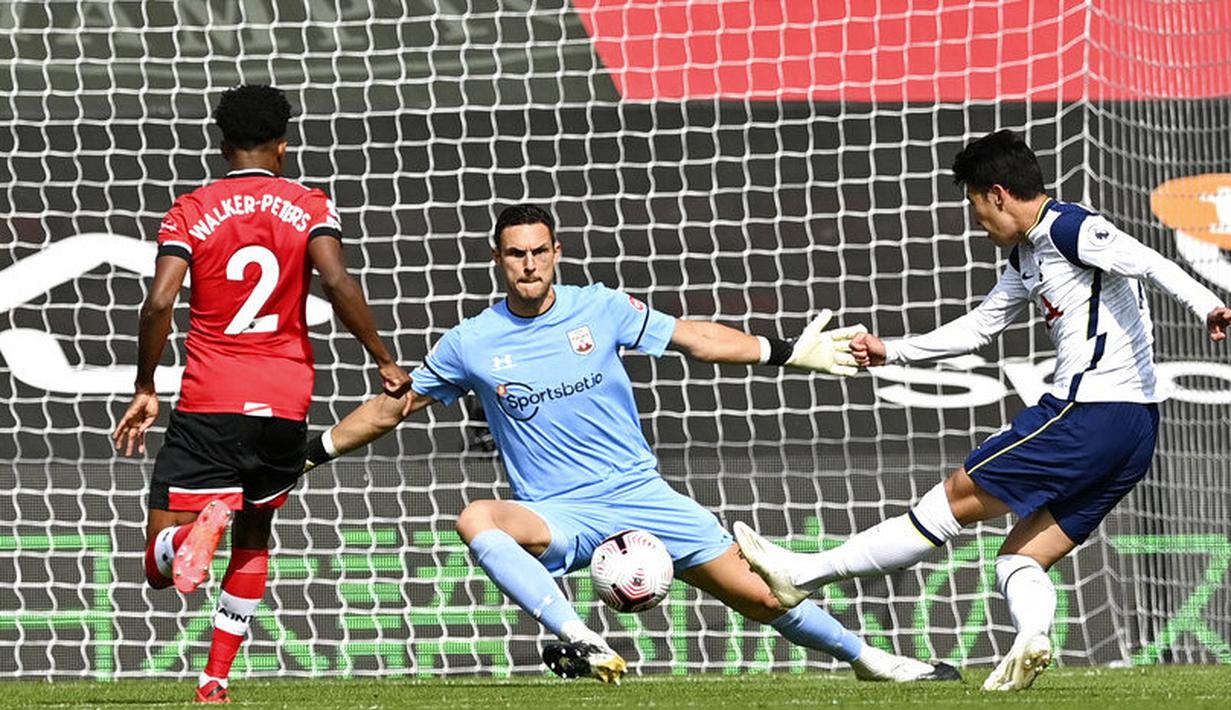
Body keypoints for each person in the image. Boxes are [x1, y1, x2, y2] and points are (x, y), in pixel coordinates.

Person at [301, 203, 962, 685]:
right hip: (557, 511)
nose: (528, 264)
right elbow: (393, 407)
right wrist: (314, 451)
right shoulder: (470, 342)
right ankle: (579, 636)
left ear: (556, 253)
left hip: (642, 495)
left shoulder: (599, 308)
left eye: (538, 251)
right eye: (515, 254)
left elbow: (696, 338)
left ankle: (871, 661)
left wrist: (784, 352)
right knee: (477, 517)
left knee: (766, 597)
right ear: (496, 259)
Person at [734, 129, 1231, 692]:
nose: (978, 223)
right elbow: (980, 327)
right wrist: (891, 350)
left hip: (1088, 411)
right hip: (1135, 431)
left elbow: (1150, 262)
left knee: (949, 502)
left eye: (976, 206)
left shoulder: (1070, 228)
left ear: (998, 194)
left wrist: (1208, 305)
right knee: (1020, 558)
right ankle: (1033, 637)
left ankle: (805, 574)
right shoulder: (1027, 254)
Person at [111, 85, 409, 704]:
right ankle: (214, 680)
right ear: (283, 146)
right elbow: (336, 280)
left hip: (211, 399)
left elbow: (160, 301)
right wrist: (383, 358)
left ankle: (191, 535)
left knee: (159, 568)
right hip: (284, 404)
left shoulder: (191, 209)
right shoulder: (309, 204)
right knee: (253, 538)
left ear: (224, 147)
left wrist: (145, 385)